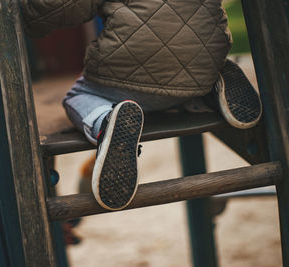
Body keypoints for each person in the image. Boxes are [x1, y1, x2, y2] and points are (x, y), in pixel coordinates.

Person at [21, 0, 262, 211]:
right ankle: (214, 87)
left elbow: (66, 6)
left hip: (130, 75)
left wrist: (28, 15)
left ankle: (105, 121)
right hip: (203, 65)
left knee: (78, 95)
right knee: (189, 72)